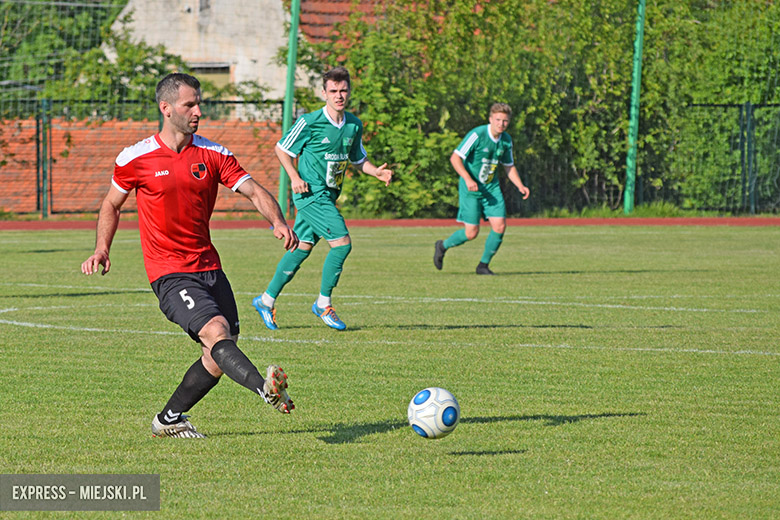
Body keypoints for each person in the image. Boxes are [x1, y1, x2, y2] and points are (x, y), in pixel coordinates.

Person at [81, 73, 298, 438]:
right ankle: (265, 388)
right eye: (190, 104)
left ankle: (168, 419)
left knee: (217, 355)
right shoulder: (135, 158)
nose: (198, 110)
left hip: (210, 267)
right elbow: (111, 204)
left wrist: (277, 220)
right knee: (216, 332)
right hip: (168, 272)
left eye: (199, 103)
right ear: (166, 109)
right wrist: (102, 247)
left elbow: (252, 190)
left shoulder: (214, 154)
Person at [251, 66, 393, 331]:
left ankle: (266, 300)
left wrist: (376, 172)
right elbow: (281, 149)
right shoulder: (310, 122)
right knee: (342, 244)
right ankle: (323, 304)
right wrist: (294, 176)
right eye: (333, 91)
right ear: (324, 93)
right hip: (310, 194)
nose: (339, 95)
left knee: (302, 247)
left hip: (328, 195)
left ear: (349, 92)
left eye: (343, 90)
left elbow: (357, 157)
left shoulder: (353, 124)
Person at [433, 102, 530, 275]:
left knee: (499, 226)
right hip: (471, 189)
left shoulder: (506, 140)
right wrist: (468, 179)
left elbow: (508, 166)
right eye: (498, 120)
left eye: (505, 121)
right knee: (471, 233)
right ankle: (443, 245)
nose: (501, 124)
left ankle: (483, 266)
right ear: (491, 119)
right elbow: (455, 158)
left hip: (491, 189)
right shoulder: (477, 135)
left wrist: (520, 185)